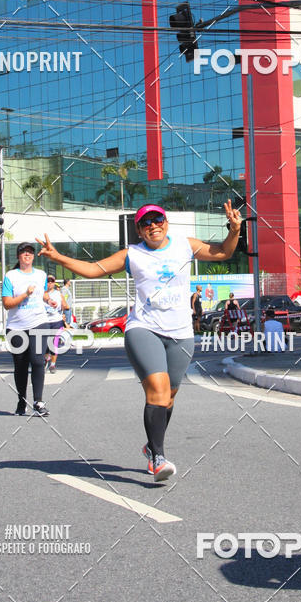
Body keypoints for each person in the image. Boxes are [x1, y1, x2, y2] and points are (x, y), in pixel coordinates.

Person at [37, 200, 241, 482]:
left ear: (166, 223)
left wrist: (234, 230)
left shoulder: (185, 244)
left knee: (169, 396)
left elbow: (222, 252)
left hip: (181, 333)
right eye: (146, 223)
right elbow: (93, 269)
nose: (153, 226)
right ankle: (158, 457)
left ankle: (151, 446)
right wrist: (59, 258)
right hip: (144, 328)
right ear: (140, 230)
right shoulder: (132, 254)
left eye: (157, 220)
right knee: (157, 389)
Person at [2, 242, 58, 417]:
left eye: (30, 253)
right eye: (23, 253)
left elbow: (43, 294)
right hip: (16, 327)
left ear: (33, 257)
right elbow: (7, 304)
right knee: (20, 366)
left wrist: (49, 301)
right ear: (18, 257)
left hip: (39, 322)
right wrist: (25, 294)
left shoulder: (41, 275)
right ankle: (22, 400)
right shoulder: (10, 276)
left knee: (38, 360)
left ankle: (38, 402)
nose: (27, 255)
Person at [44, 275, 66, 373]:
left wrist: (63, 313)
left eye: (51, 281)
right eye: (48, 281)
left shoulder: (58, 294)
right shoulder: (41, 293)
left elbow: (65, 305)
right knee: (44, 344)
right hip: (44, 321)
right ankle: (46, 359)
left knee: (54, 343)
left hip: (56, 321)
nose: (50, 283)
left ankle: (52, 365)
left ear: (54, 283)